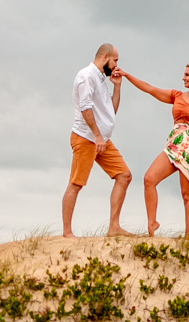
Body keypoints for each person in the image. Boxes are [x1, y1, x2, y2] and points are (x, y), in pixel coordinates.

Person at [119, 63, 189, 237]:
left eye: (187, 75)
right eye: (184, 75)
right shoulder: (177, 95)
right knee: (149, 179)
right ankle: (152, 223)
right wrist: (127, 76)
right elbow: (150, 89)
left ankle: (188, 238)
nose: (183, 78)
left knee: (187, 195)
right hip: (173, 147)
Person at [62, 44, 133, 239]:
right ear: (105, 57)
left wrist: (117, 87)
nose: (117, 64)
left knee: (124, 175)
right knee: (76, 183)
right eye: (115, 60)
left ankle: (114, 227)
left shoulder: (101, 78)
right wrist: (97, 135)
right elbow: (85, 107)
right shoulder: (86, 76)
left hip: (103, 140)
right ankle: (67, 232)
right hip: (86, 137)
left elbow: (111, 111)